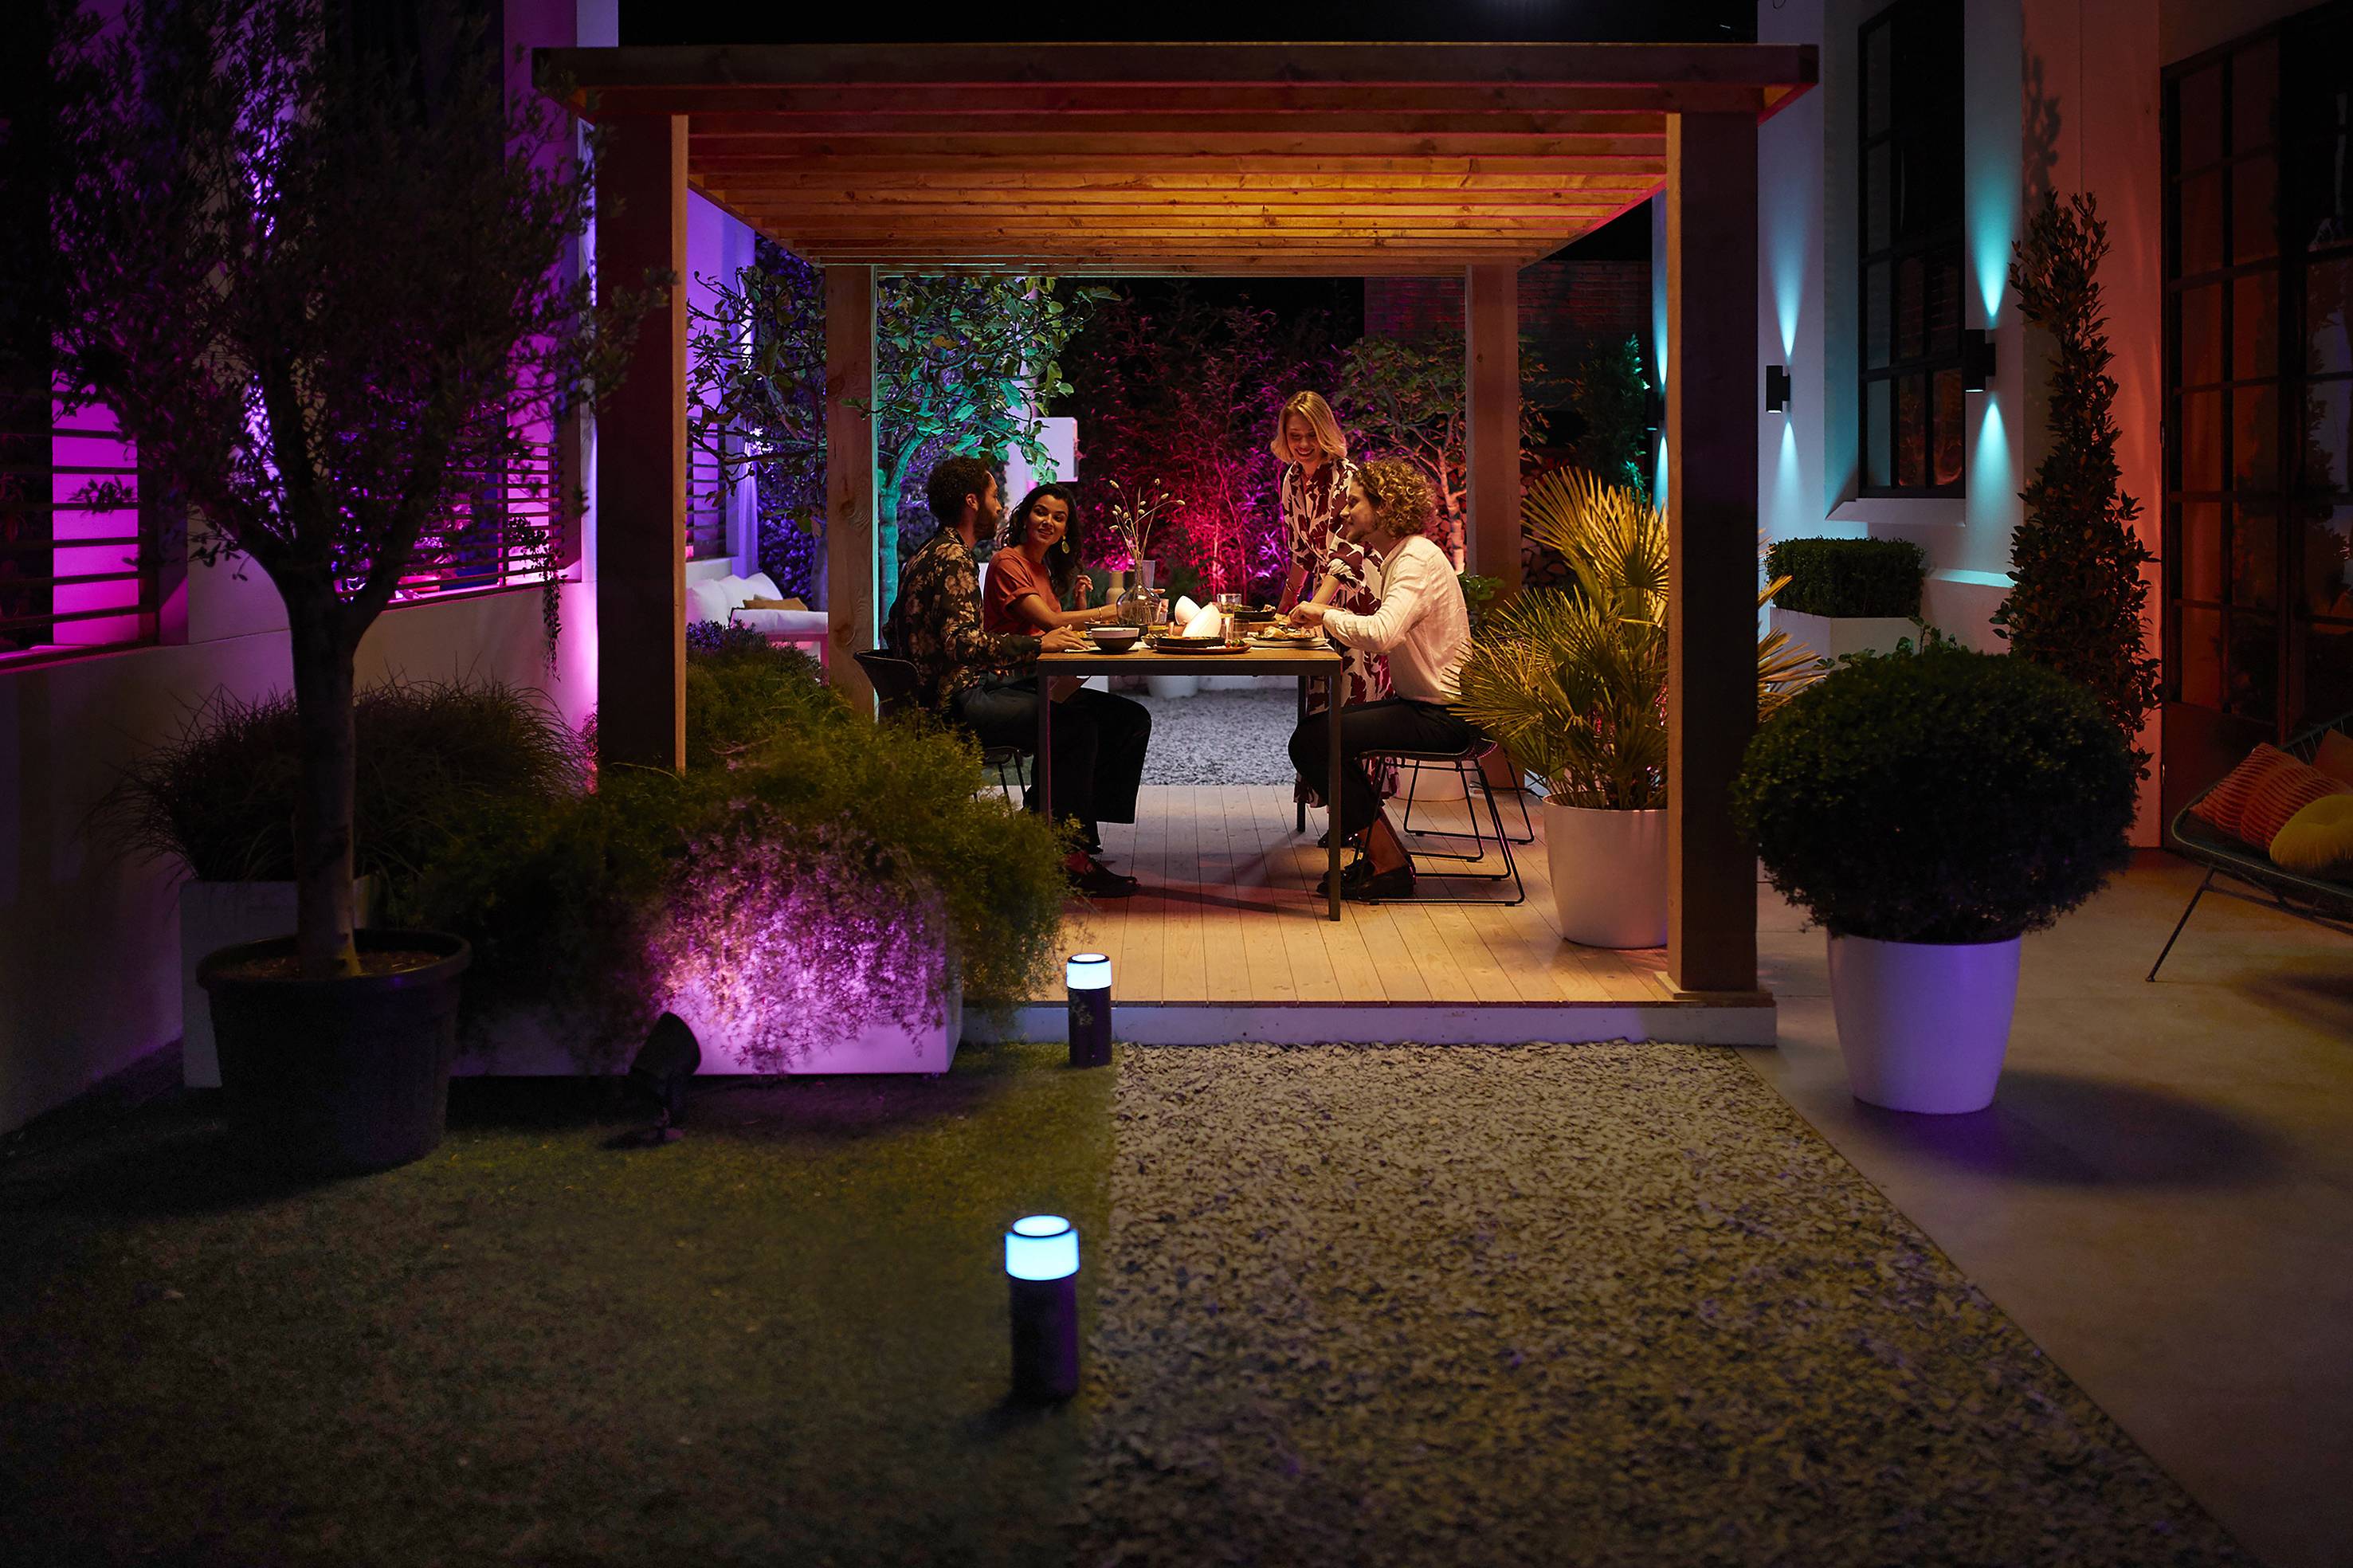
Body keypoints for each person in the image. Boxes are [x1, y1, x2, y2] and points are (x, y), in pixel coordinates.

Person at [885, 456, 1148, 899]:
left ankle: (1063, 833)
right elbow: (961, 643)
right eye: (993, 496)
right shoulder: (954, 559)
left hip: (949, 693)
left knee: (1107, 718)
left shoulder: (932, 552)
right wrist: (1035, 646)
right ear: (972, 502)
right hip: (956, 700)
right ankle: (1067, 854)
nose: (999, 506)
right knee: (1074, 727)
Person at [1284, 459, 1474, 902]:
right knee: (1317, 735)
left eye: (1354, 502)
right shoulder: (1405, 555)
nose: (1344, 511)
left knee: (1313, 741)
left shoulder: (1415, 560)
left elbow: (1383, 634)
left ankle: (1388, 864)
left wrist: (1323, 614)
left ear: (1384, 508)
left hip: (1445, 715)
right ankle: (1383, 856)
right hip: (1426, 704)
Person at [1271, 389, 1395, 819]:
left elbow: (1346, 555)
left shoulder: (1348, 477)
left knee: (1353, 703)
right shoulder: (1291, 480)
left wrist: (1315, 611)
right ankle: (1343, 815)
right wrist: (1282, 610)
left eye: (1311, 434)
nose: (1303, 444)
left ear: (1325, 432)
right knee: (1322, 702)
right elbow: (1300, 554)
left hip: (1357, 594)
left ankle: (1364, 821)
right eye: (1295, 436)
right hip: (1320, 596)